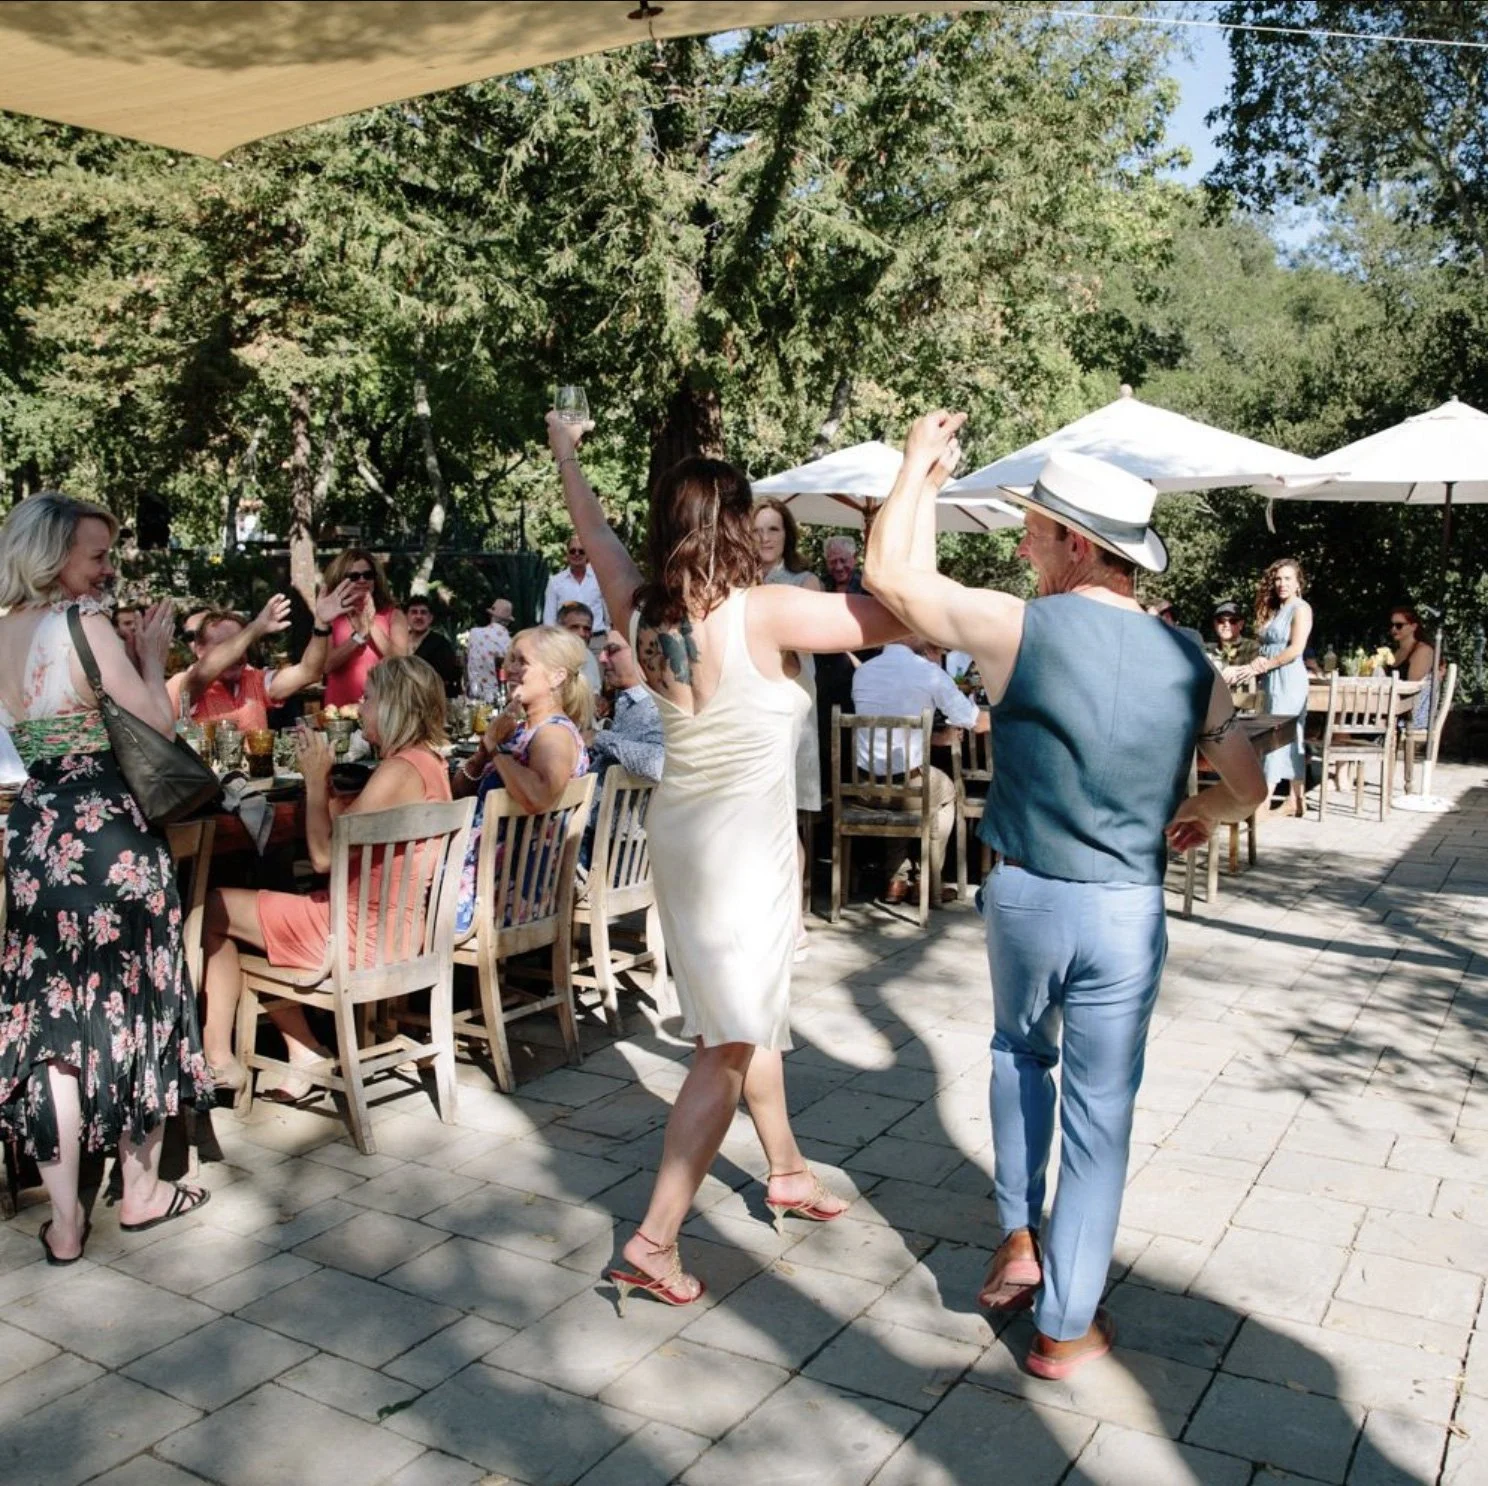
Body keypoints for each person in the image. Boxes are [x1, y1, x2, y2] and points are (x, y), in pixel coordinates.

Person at [865, 421, 1267, 1380]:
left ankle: (1016, 1231)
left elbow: (891, 577)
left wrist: (917, 469)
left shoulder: (1020, 629)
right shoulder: (1188, 662)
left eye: (1034, 531)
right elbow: (1251, 777)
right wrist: (1203, 809)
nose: (1020, 547)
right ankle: (1064, 1326)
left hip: (1028, 895)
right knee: (1102, 1112)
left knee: (1017, 1052)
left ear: (1079, 545)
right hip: (1126, 907)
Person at [549, 410, 905, 1311]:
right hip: (741, 853)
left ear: (668, 525)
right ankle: (653, 1240)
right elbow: (893, 613)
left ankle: (784, 1168)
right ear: (743, 524)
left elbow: (592, 531)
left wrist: (565, 451)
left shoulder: (639, 604)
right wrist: (888, 511)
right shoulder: (769, 610)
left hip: (685, 840)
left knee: (742, 1014)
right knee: (726, 1043)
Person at [0, 493, 213, 1258]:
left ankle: (63, 1223)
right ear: (53, 555)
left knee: (53, 1020)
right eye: (97, 555)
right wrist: (154, 660)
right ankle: (141, 1191)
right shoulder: (80, 623)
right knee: (134, 1001)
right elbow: (157, 723)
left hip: (36, 829)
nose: (107, 570)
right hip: (108, 833)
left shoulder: (2, 633)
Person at [200, 656, 454, 1097]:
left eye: (369, 698)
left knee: (211, 907)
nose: (360, 706)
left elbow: (320, 857)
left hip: (357, 936)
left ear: (394, 706)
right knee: (263, 905)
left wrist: (315, 782)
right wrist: (332, 795)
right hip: (406, 933)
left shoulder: (398, 771)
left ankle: (218, 1061)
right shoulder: (429, 762)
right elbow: (352, 827)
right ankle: (304, 1054)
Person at [452, 625, 591, 934]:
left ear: (556, 676)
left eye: (521, 661)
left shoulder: (553, 734)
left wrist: (496, 749)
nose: (509, 669)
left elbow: (538, 796)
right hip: (488, 877)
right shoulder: (521, 730)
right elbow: (458, 792)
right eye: (510, 660)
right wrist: (484, 752)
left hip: (499, 892)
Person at [851, 635, 987, 904]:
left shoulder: (864, 672)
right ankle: (930, 882)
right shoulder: (928, 672)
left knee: (903, 790)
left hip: (863, 788)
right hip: (909, 789)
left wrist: (938, 738)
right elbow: (972, 721)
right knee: (946, 792)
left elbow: (887, 733)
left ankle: (896, 881)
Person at [168, 585, 355, 731]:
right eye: (226, 646)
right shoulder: (184, 685)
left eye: (241, 646)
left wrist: (321, 625)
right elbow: (204, 672)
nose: (235, 655)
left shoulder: (255, 680)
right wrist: (257, 627)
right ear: (199, 650)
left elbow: (309, 672)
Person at [581, 628, 664, 869]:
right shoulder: (629, 702)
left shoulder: (656, 706)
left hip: (618, 856)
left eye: (612, 650)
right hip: (603, 843)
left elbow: (659, 763)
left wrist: (600, 738)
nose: (602, 658)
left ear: (644, 653)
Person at [1242, 558, 1313, 816]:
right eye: (1278, 579)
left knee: (1276, 735)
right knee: (1288, 736)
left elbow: (1296, 649)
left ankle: (1264, 800)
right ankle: (1296, 800)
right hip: (1273, 677)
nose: (1281, 583)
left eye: (1287, 579)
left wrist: (1267, 664)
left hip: (1288, 678)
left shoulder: (1300, 608)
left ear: (1298, 582)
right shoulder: (1278, 608)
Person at [321, 548, 409, 708]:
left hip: (384, 708)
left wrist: (371, 623)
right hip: (340, 710)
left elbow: (402, 662)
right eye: (354, 576)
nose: (362, 580)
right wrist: (359, 635)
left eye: (367, 575)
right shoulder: (331, 617)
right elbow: (326, 665)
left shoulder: (394, 615)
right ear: (341, 580)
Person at [543, 534, 609, 633]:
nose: (576, 554)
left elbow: (609, 616)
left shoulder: (599, 579)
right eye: (572, 551)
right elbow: (549, 619)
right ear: (567, 555)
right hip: (567, 641)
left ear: (587, 555)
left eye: (581, 551)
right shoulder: (555, 582)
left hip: (596, 640)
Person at [406, 596, 464, 697]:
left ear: (430, 618)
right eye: (414, 612)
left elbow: (447, 677)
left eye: (423, 612)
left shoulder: (441, 643)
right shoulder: (398, 641)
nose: (418, 616)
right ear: (406, 616)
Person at [1390, 604, 1435, 730]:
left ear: (1413, 627)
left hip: (1410, 715)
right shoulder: (1397, 652)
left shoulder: (1423, 651)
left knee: (1349, 719)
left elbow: (1412, 688)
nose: (1393, 629)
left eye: (1399, 625)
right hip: (1392, 708)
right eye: (1392, 625)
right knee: (1343, 715)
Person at [466, 597, 514, 702]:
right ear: (508, 622)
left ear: (491, 616)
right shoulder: (511, 643)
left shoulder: (474, 634)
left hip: (475, 695)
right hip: (500, 698)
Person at [556, 601, 604, 693]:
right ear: (559, 629)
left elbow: (595, 691)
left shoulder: (589, 656)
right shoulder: (548, 659)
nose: (582, 634)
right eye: (574, 627)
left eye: (587, 629)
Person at [1208, 599, 1259, 682]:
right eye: (1220, 620)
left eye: (1233, 621)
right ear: (1215, 624)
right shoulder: (1208, 650)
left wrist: (1237, 671)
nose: (1226, 625)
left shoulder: (1252, 647)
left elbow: (1261, 670)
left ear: (1241, 624)